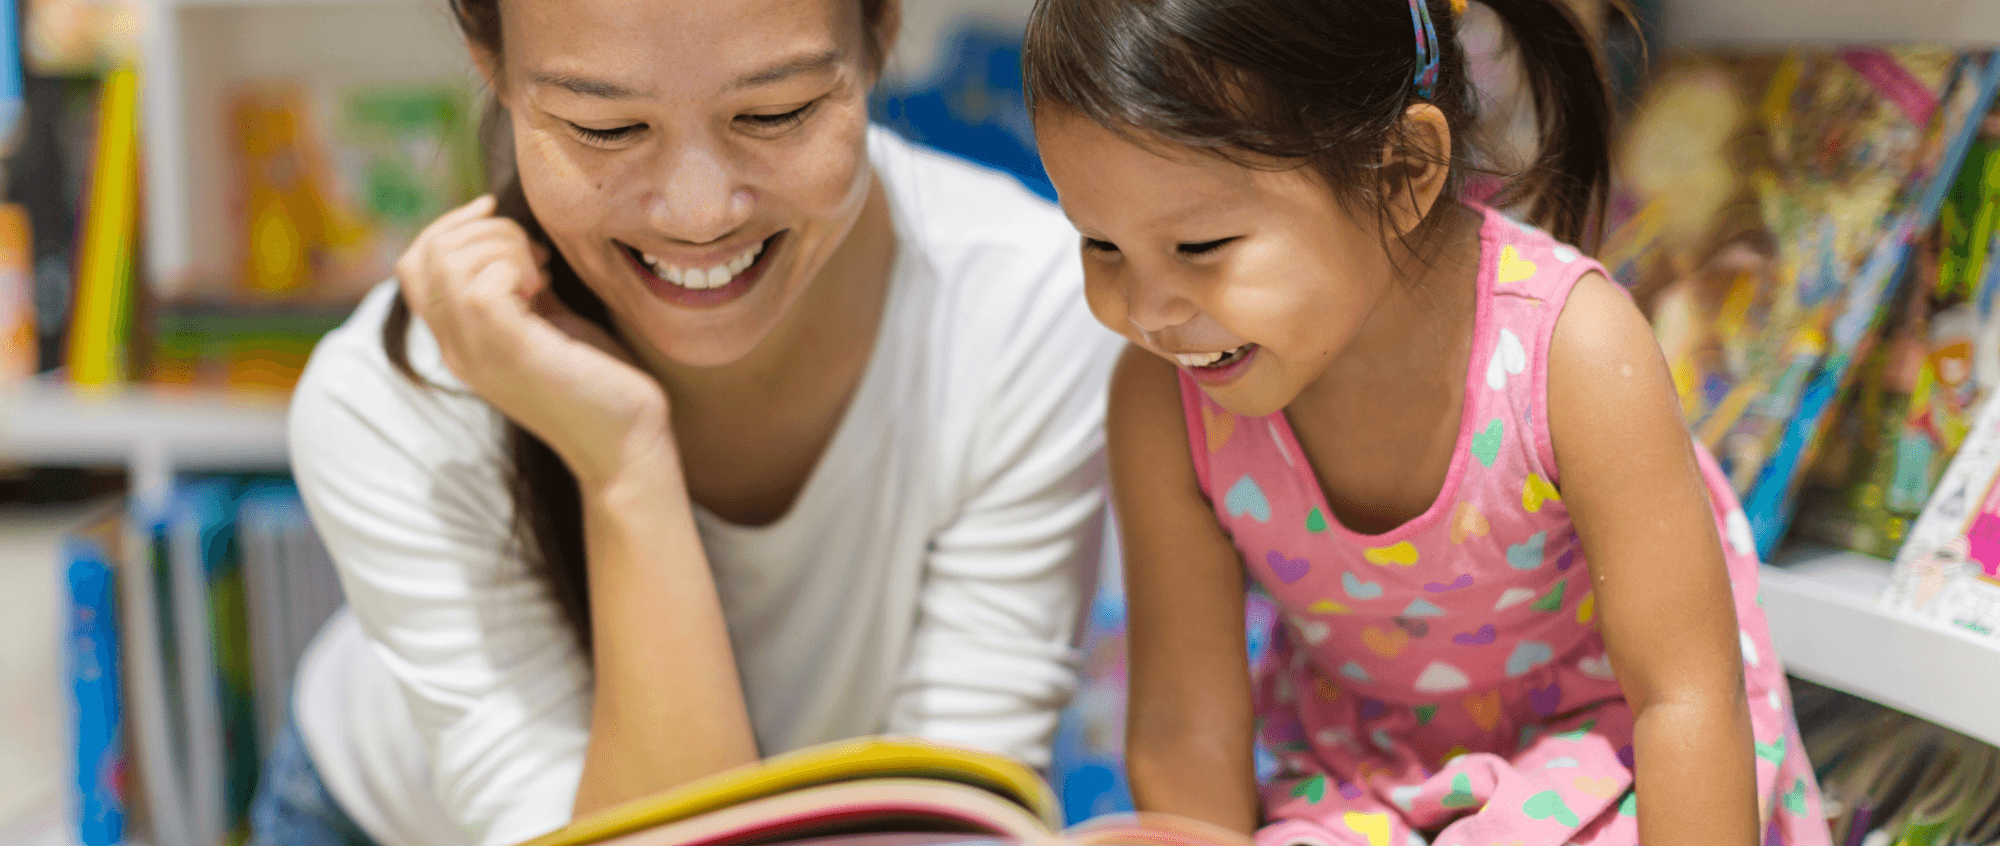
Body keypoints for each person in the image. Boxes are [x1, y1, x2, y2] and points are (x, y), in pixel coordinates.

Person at [252, 1, 1121, 844]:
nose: (701, 214)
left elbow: (948, 816)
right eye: (605, 127)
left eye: (775, 113)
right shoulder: (393, 400)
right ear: (494, 70)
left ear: (880, 32)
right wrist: (623, 465)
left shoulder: (1030, 312)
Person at [1020, 1, 1835, 845]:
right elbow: (1187, 732)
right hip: (1358, 783)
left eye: (1201, 247)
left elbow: (1684, 700)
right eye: (1100, 245)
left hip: (1611, 755)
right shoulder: (1165, 400)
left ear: (1403, 171)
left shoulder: (1574, 351)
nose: (1147, 310)